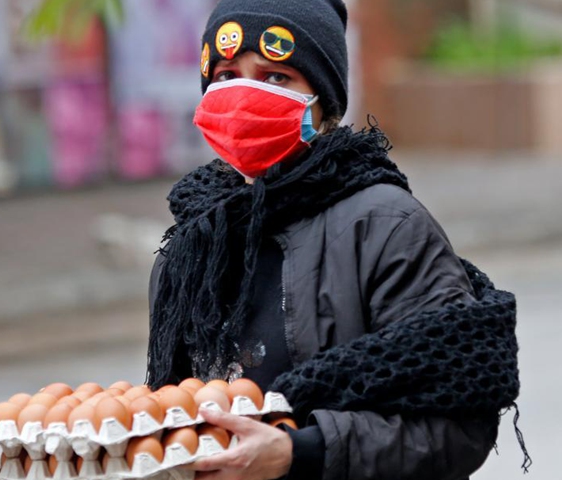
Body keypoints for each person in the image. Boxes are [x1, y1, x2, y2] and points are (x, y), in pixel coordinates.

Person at [145, 1, 528, 479]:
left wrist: (299, 452)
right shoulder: (190, 249)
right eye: (225, 76)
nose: (243, 96)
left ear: (321, 99)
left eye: (276, 77)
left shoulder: (385, 225)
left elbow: (456, 427)